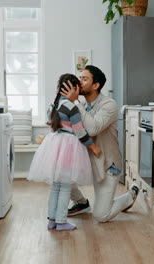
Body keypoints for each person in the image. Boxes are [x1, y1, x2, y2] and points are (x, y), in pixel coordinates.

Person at [60, 65, 140, 223]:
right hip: (87, 161)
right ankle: (81, 203)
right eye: (79, 77)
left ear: (96, 85)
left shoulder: (109, 105)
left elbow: (92, 128)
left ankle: (129, 196)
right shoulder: (81, 106)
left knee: (100, 216)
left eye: (84, 78)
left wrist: (75, 102)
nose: (79, 81)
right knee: (59, 175)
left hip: (106, 164)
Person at [28, 73, 102, 231]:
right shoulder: (72, 107)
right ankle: (61, 221)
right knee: (66, 186)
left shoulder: (53, 105)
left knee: (56, 186)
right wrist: (93, 146)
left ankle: (52, 220)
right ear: (74, 89)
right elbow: (80, 132)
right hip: (68, 148)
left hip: (54, 145)